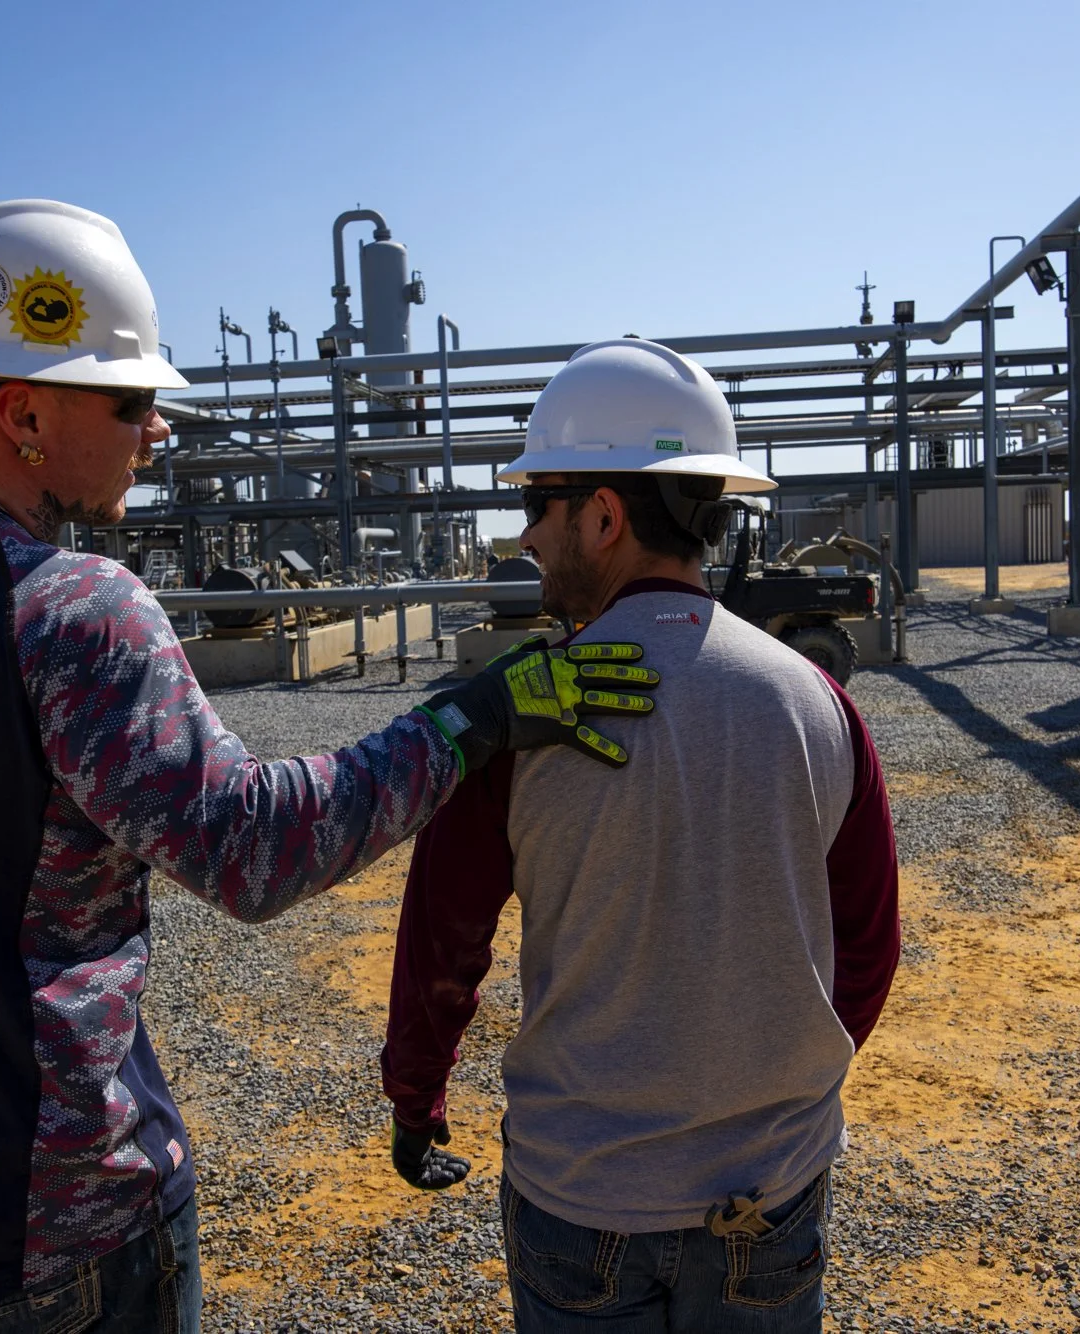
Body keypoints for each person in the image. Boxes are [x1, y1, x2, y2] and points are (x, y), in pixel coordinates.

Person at [0, 200, 666, 1332]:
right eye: (131, 399)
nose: (157, 429)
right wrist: (468, 719)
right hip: (45, 1231)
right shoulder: (69, 608)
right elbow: (253, 851)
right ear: (20, 412)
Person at [379, 338, 900, 1332]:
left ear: (604, 514)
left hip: (582, 1198)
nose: (526, 535)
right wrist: (774, 1091)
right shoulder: (816, 702)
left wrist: (417, 1094)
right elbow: (865, 944)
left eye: (537, 506)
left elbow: (442, 940)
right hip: (768, 1193)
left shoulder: (520, 716)